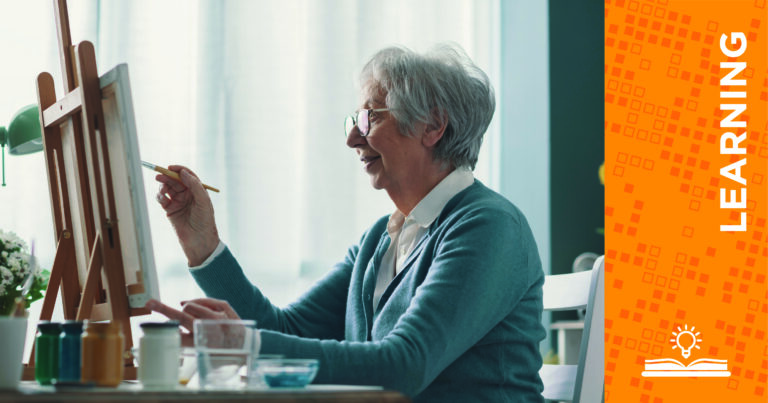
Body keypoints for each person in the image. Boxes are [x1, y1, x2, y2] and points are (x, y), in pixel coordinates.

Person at [146, 43, 545, 403]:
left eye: (370, 117)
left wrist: (245, 344)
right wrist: (202, 242)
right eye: (355, 119)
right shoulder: (379, 241)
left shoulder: (488, 226)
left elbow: (402, 366)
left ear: (433, 126)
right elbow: (285, 329)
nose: (353, 137)